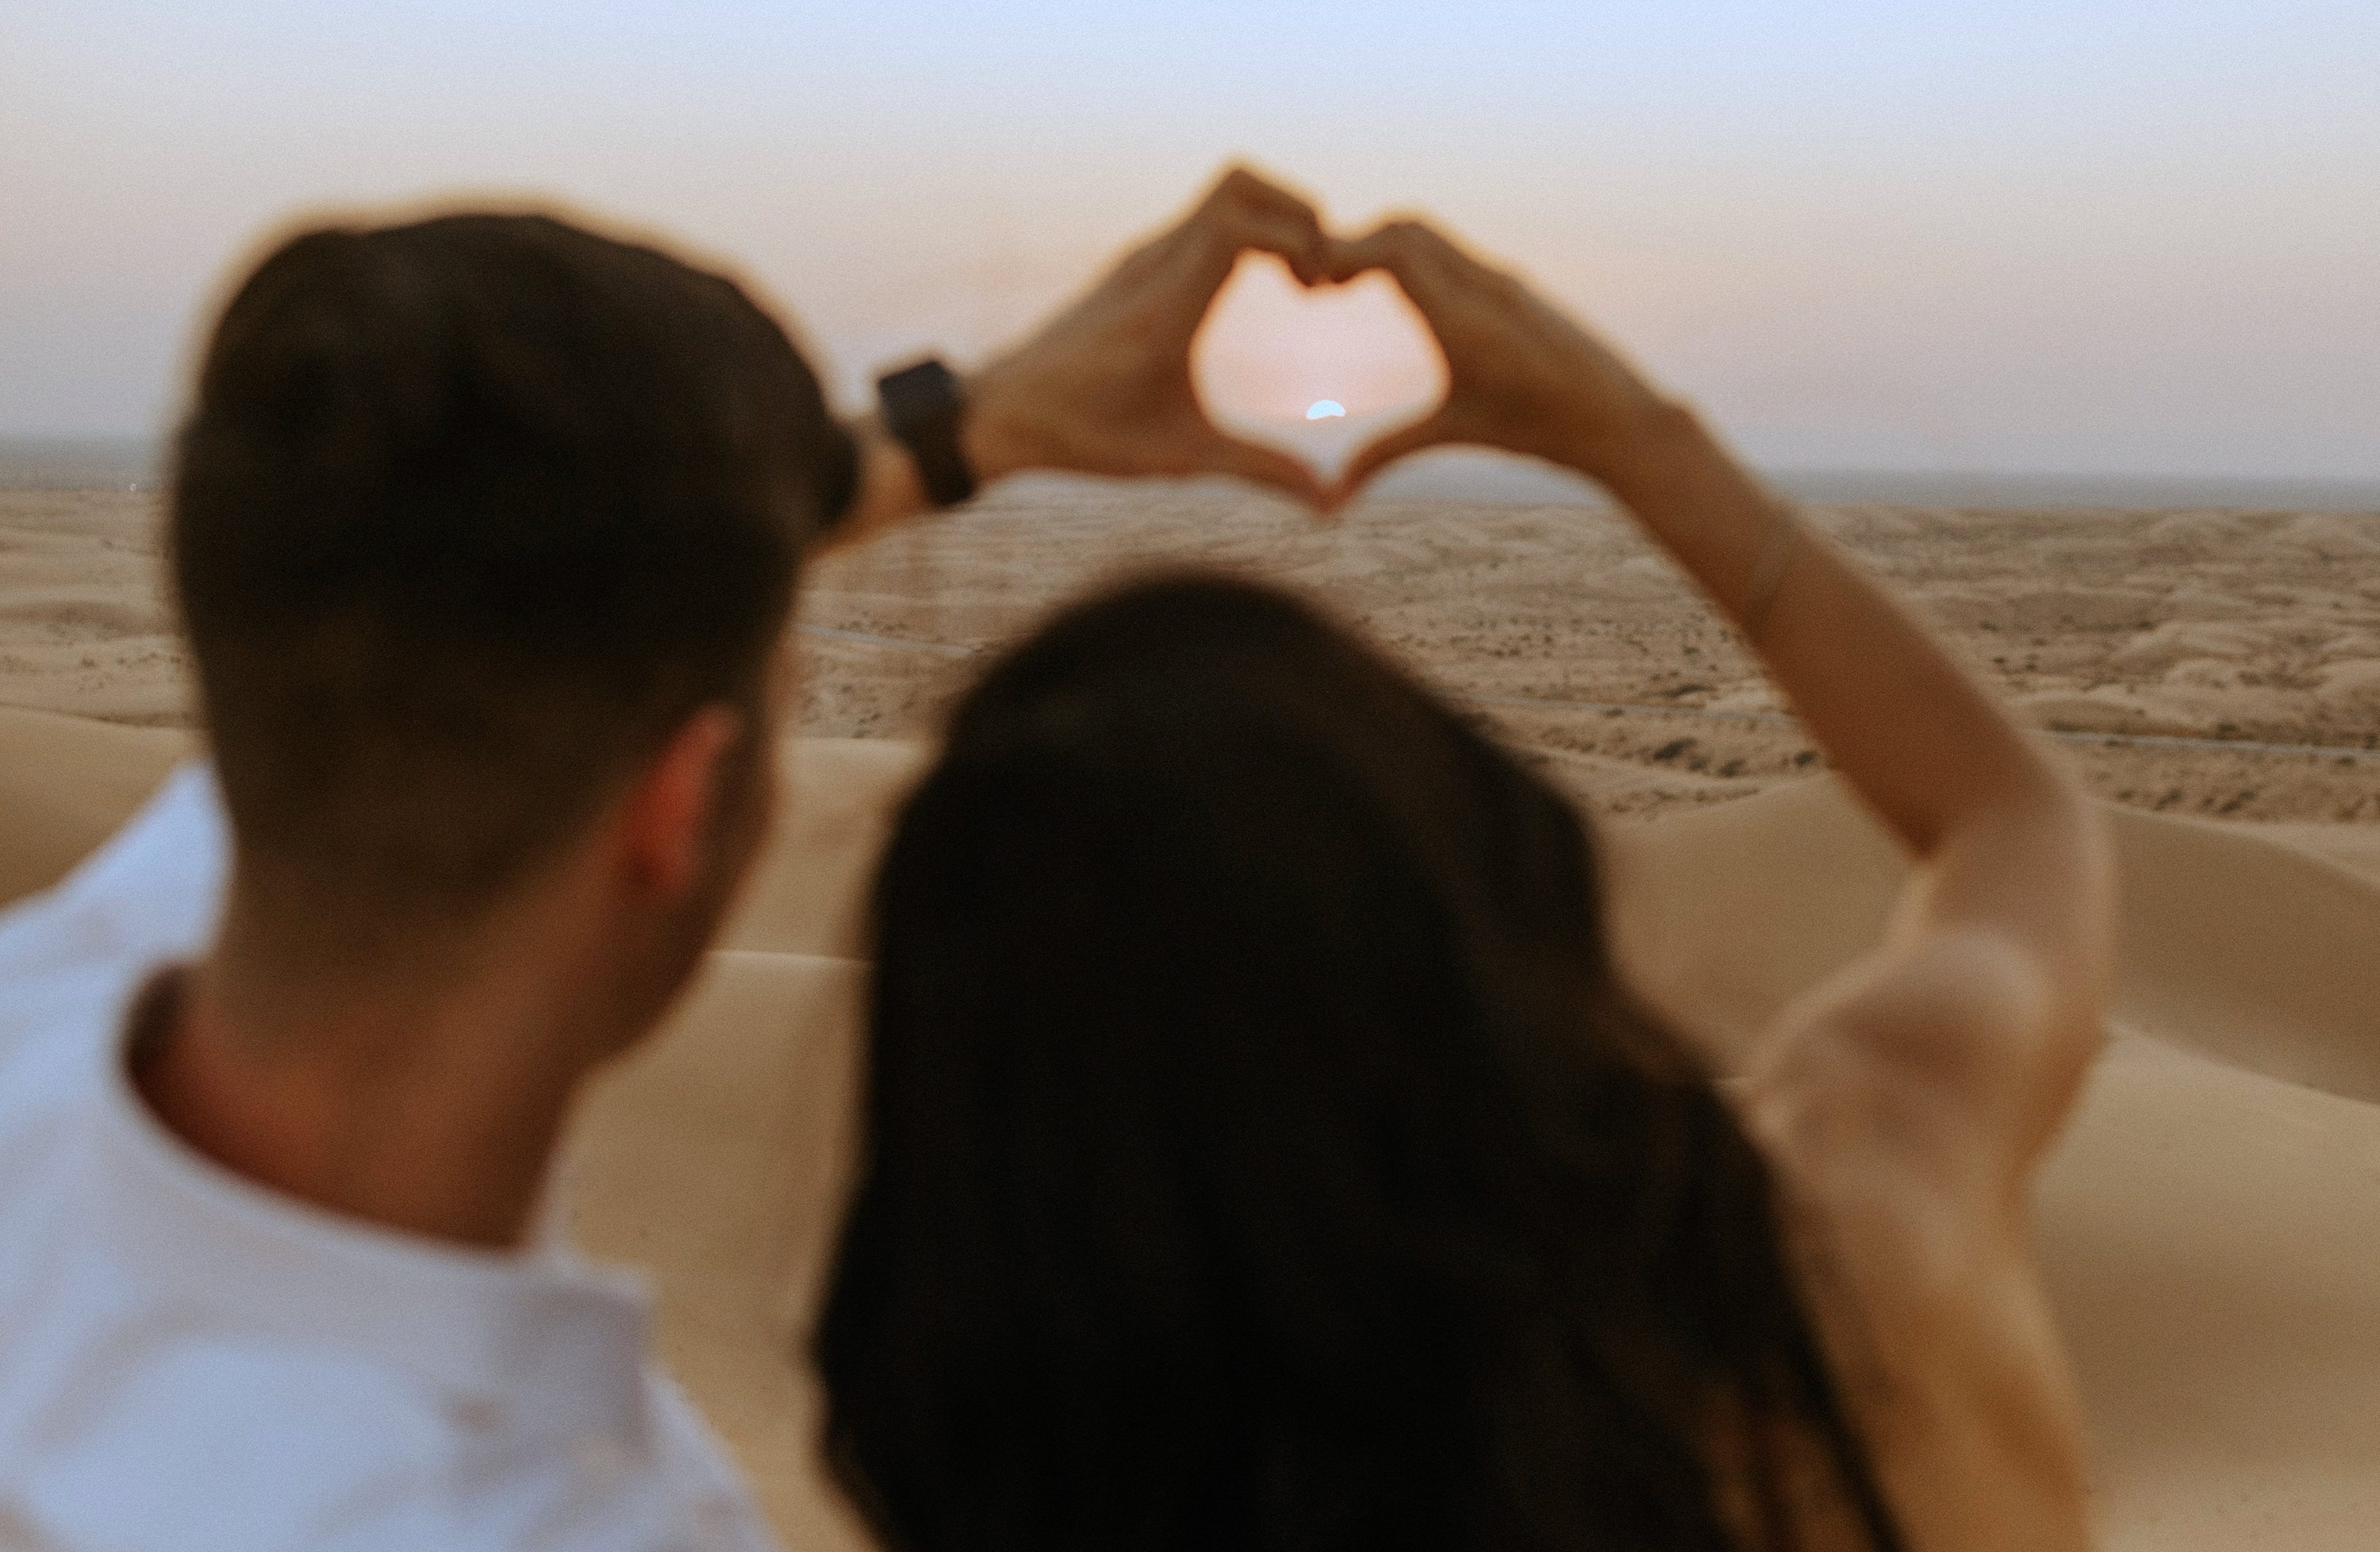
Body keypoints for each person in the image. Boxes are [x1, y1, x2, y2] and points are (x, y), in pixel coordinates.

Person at [0, 169, 1342, 1549]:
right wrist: (1587, 419)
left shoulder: (55, 994)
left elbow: (478, 609)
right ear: (683, 805)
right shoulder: (565, 1523)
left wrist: (967, 429)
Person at [816, 222, 2117, 1552]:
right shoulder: (1848, 1277)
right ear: (1497, 907)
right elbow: (2010, 820)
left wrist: (940, 443)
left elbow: (607, 778)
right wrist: (1636, 438)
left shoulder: (1027, 1485)